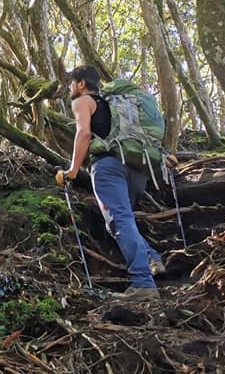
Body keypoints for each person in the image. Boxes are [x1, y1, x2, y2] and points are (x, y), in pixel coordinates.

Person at [56, 65, 164, 301]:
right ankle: (152, 257)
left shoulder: (82, 101)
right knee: (124, 219)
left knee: (120, 221)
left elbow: (84, 133)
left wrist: (73, 169)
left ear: (81, 83)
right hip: (137, 167)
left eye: (72, 84)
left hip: (108, 167)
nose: (70, 89)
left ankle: (143, 284)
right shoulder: (114, 103)